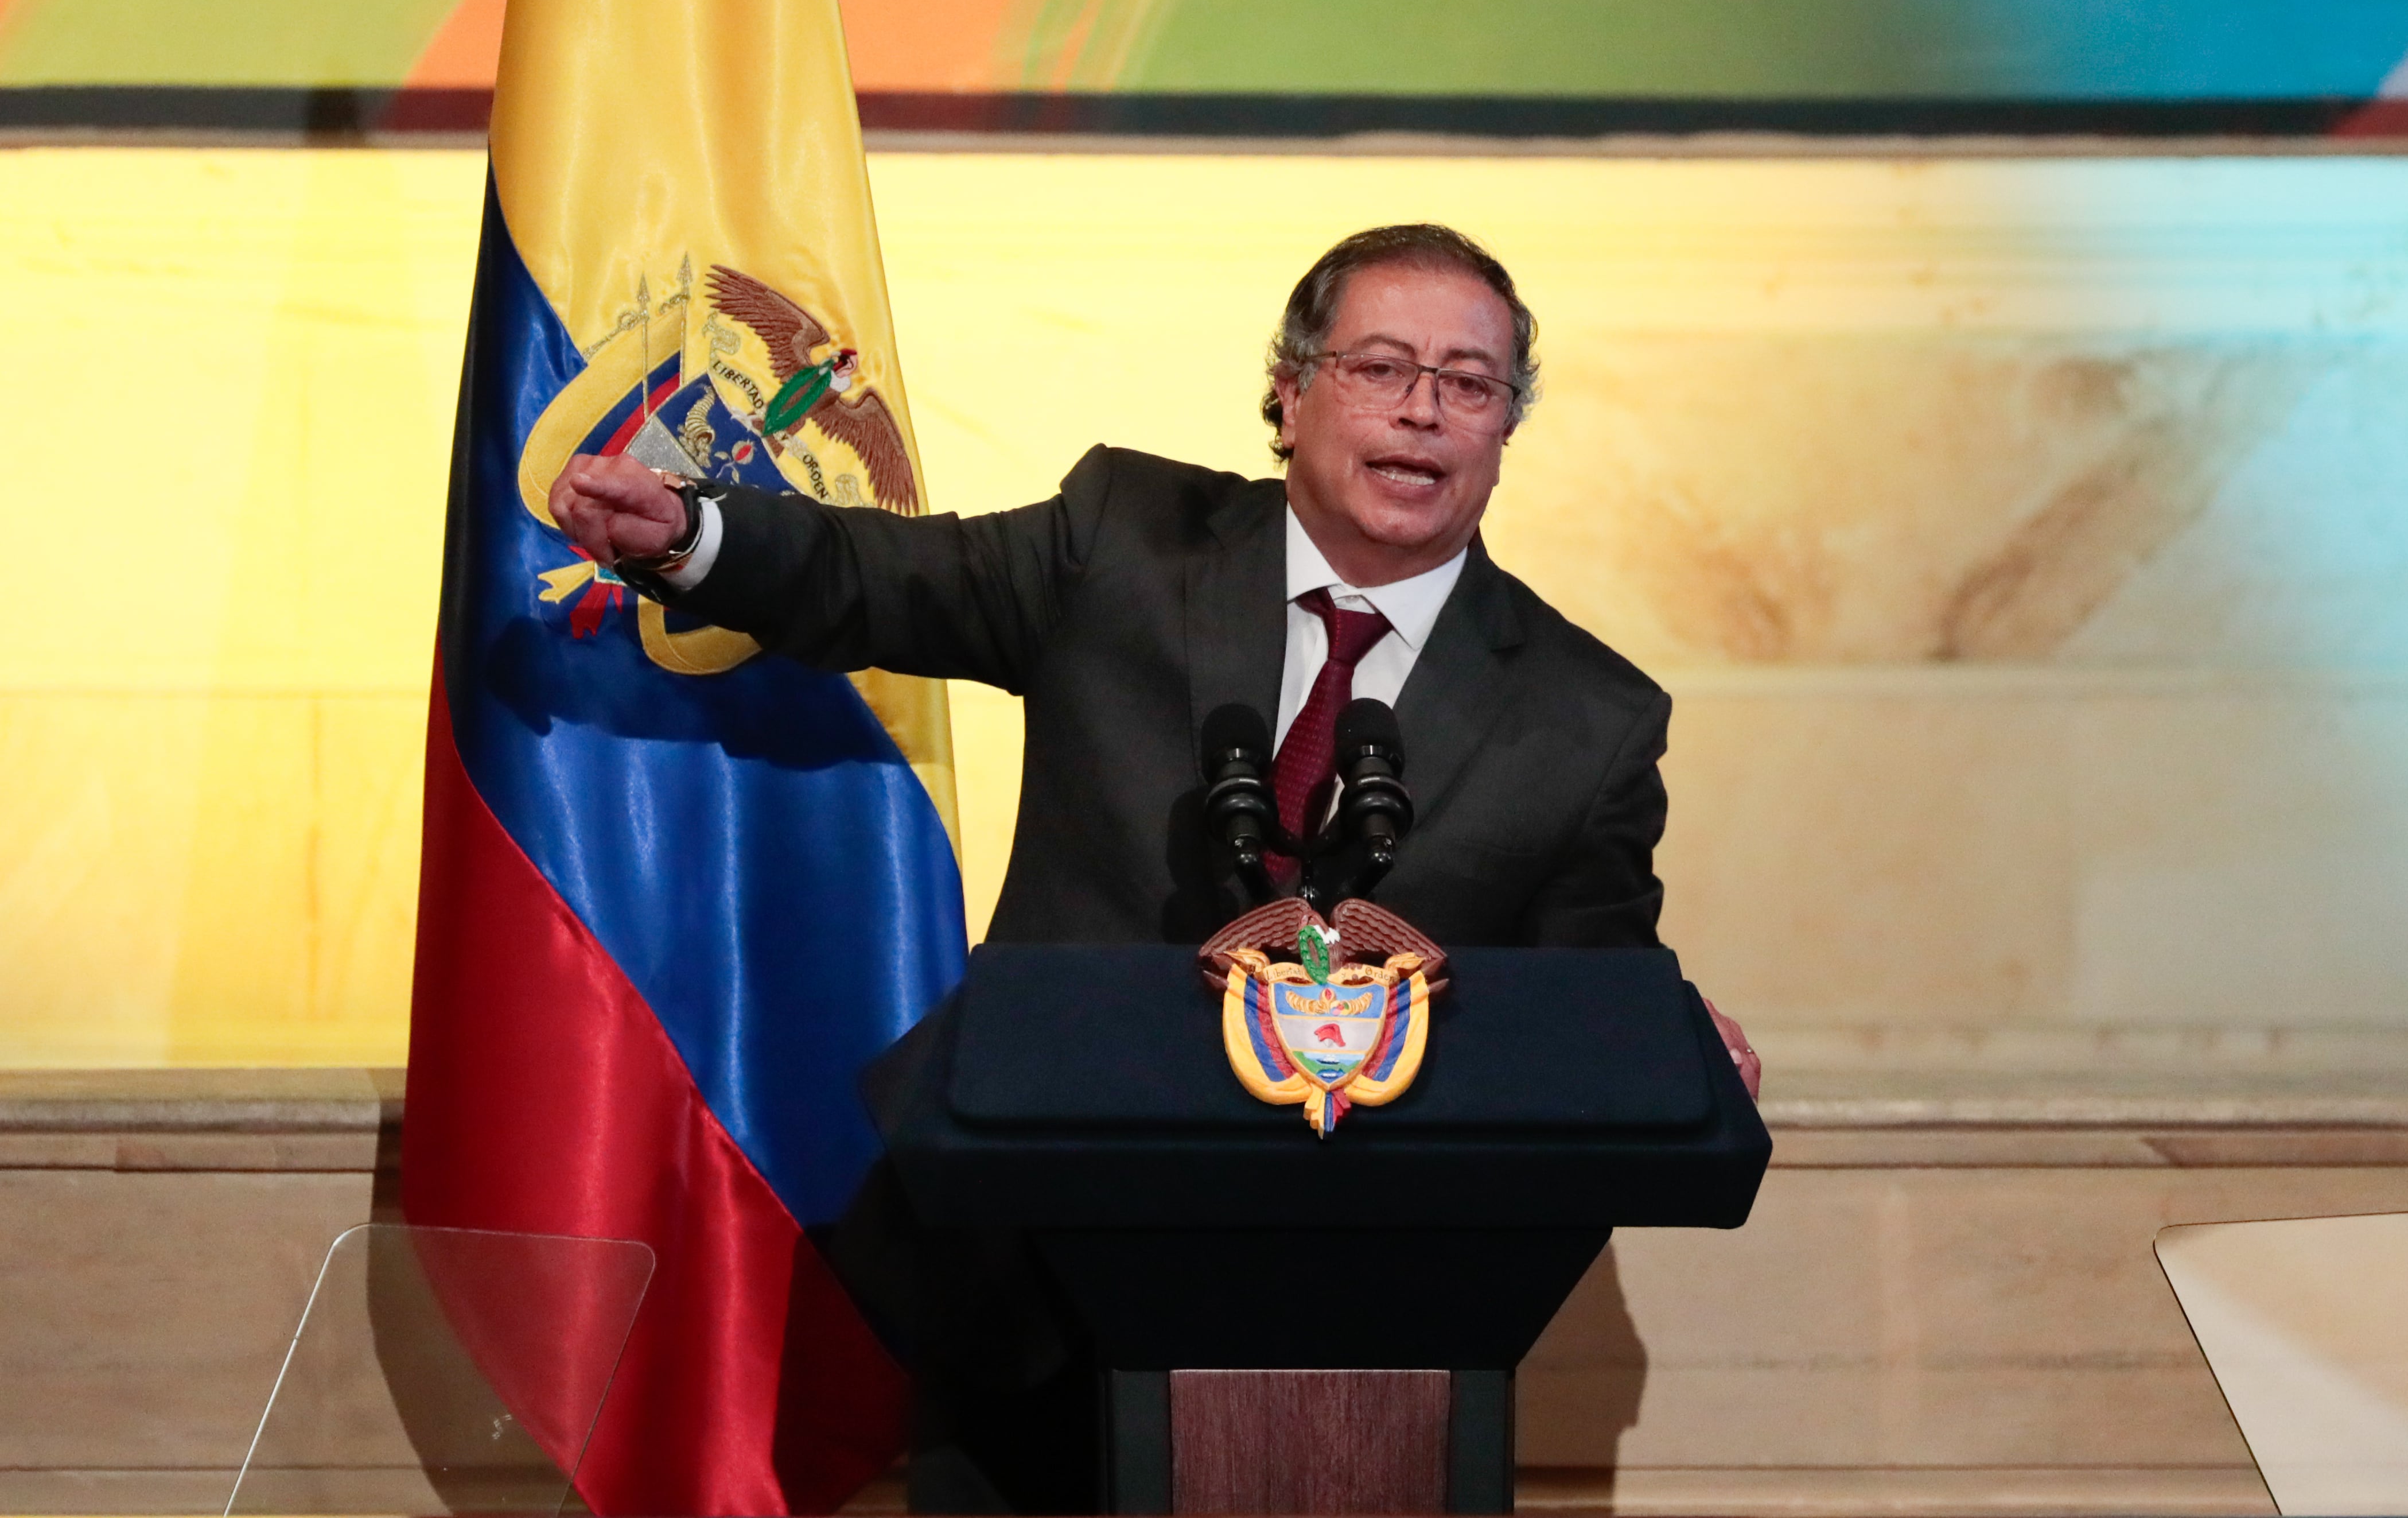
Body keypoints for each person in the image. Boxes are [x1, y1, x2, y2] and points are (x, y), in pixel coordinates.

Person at [551, 223, 1760, 1509]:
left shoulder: (1588, 715)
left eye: (1469, 384)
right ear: (1289, 395)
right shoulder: (1122, 539)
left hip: (1367, 1334)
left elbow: (1586, 988)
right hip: (1025, 1281)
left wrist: (1665, 1039)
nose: (1423, 411)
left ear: (1504, 428)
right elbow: (888, 577)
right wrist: (694, 537)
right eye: (1381, 367)